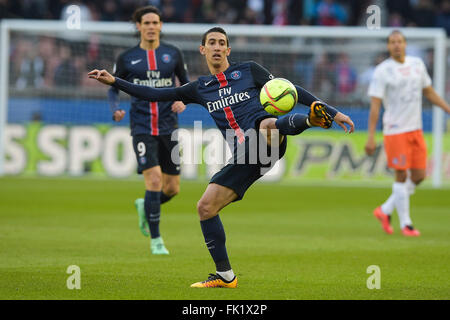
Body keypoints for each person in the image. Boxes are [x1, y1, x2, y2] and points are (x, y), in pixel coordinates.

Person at [89, 27, 354, 288]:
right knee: (205, 208)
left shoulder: (249, 70)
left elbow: (289, 89)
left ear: (228, 49)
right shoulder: (200, 87)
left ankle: (311, 119)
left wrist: (332, 112)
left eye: (222, 43)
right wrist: (115, 82)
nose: (217, 47)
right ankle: (225, 276)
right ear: (203, 49)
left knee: (266, 126)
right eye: (212, 42)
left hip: (266, 139)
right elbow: (156, 94)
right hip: (243, 155)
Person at [108, 6, 189, 255]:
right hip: (142, 126)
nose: (151, 27)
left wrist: (183, 100)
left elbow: (185, 84)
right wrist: (116, 107)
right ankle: (156, 240)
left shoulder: (173, 54)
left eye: (155, 22)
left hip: (169, 126)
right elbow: (113, 86)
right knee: (153, 180)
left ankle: (146, 205)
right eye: (147, 23)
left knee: (172, 188)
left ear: (161, 26)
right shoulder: (127, 57)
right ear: (139, 26)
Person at [365, 30, 450, 237]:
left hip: (415, 128)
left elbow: (428, 91)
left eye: (400, 41)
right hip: (395, 130)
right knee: (401, 174)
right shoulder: (382, 71)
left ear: (405, 44)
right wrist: (371, 136)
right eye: (392, 42)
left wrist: (448, 109)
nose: (396, 45)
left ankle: (384, 210)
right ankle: (406, 224)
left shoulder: (416, 64)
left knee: (420, 176)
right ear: (388, 46)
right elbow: (375, 106)